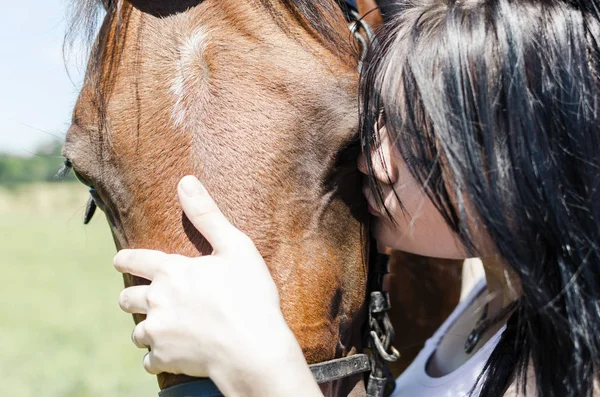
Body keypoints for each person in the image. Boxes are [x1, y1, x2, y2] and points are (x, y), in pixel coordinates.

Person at [112, 0, 600, 396]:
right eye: (378, 122)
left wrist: (261, 365)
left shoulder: (582, 362)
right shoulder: (500, 297)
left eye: (416, 131)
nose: (370, 160)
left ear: (522, 146)